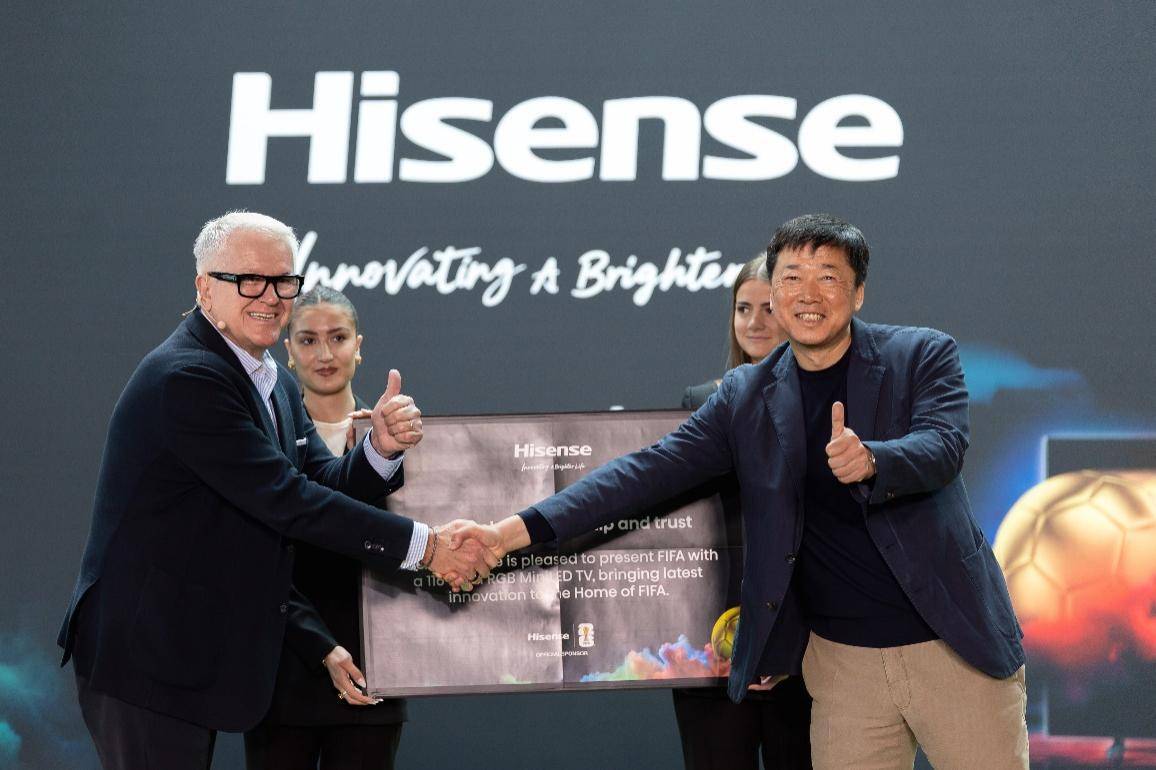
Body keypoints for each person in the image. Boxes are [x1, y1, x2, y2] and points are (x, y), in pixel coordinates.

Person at [463, 213, 1029, 769]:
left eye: (828, 277)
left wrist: (874, 459)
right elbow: (645, 473)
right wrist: (510, 532)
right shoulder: (746, 393)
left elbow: (944, 444)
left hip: (950, 643)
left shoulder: (921, 354)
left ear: (858, 293)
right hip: (843, 665)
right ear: (774, 293)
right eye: (791, 278)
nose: (808, 294)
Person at [58, 211, 496, 770]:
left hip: (186, 648)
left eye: (283, 280)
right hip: (146, 653)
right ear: (204, 289)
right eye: (249, 280)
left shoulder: (272, 379)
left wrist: (379, 449)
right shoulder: (188, 378)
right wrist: (427, 548)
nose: (270, 296)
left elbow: (324, 480)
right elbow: (288, 500)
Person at [242, 286, 406, 770]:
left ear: (359, 345)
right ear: (288, 351)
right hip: (281, 673)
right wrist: (316, 643)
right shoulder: (260, 438)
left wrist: (377, 448)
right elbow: (259, 554)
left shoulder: (397, 437)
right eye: (308, 340)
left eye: (337, 337)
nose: (325, 354)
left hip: (372, 671)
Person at [673, 256, 811, 770]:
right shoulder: (700, 403)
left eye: (768, 309)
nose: (754, 322)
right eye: (743, 308)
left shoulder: (830, 405)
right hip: (715, 646)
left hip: (805, 651)